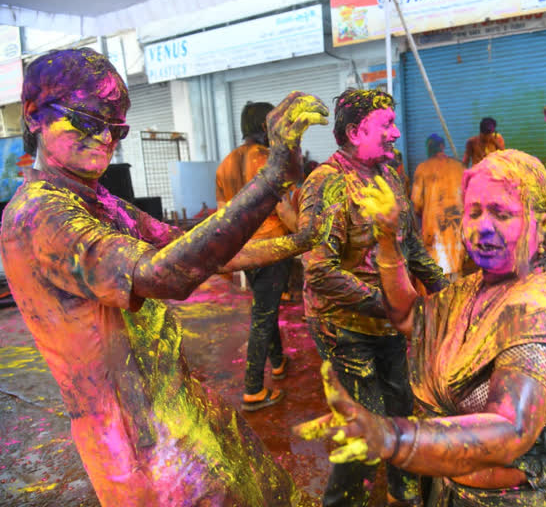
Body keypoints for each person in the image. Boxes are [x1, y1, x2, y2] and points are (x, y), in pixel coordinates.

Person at [0, 49, 331, 506]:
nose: (105, 139)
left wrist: (301, 239)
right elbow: (164, 275)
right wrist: (272, 179)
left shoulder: (99, 202)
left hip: (177, 409)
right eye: (88, 120)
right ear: (35, 116)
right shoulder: (41, 215)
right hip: (138, 444)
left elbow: (194, 249)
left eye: (116, 128)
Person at [296, 149, 546, 507]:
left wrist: (393, 437)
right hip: (460, 493)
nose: (482, 226)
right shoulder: (474, 289)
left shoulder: (539, 310)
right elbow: (412, 319)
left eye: (502, 213)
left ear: (544, 220)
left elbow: (512, 429)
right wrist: (387, 241)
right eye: (473, 212)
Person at [298, 88, 449, 506]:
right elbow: (320, 269)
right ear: (355, 130)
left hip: (391, 323)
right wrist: (392, 304)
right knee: (364, 427)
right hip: (344, 327)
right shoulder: (326, 183)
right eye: (386, 126)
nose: (396, 134)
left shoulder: (390, 176)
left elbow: (412, 247)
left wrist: (445, 292)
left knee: (402, 411)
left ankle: (404, 494)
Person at [216, 101, 296, 411]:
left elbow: (223, 215)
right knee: (263, 316)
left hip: (244, 251)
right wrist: (306, 235)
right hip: (271, 249)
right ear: (265, 127)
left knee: (266, 307)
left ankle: (277, 363)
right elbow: (283, 208)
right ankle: (253, 388)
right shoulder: (268, 161)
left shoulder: (226, 163)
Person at [411, 133, 466, 280]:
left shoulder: (422, 169)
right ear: (442, 147)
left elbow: (416, 203)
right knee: (456, 274)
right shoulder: (458, 166)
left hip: (433, 230)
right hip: (456, 228)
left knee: (437, 276)